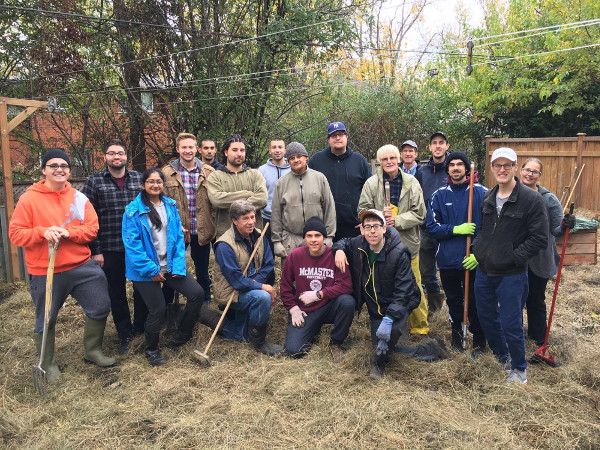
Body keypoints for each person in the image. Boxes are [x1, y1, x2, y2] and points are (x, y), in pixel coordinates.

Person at [9, 148, 116, 383]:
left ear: (69, 170)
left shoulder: (79, 197)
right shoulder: (29, 198)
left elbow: (92, 228)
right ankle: (47, 364)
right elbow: (16, 234)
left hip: (81, 266)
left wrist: (68, 232)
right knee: (46, 318)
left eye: (64, 166)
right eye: (54, 165)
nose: (59, 169)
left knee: (100, 306)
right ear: (44, 170)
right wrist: (42, 232)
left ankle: (93, 351)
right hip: (45, 270)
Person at [470, 148, 548, 383]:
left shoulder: (531, 200)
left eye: (507, 165)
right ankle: (502, 358)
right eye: (497, 166)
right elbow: (483, 230)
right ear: (492, 168)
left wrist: (514, 257)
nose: (502, 170)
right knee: (486, 317)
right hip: (484, 270)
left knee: (511, 322)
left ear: (515, 167)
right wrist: (478, 249)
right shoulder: (488, 196)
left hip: (512, 273)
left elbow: (539, 238)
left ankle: (519, 368)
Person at [122, 168, 204, 366]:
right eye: (151, 181)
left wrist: (176, 266)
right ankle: (151, 349)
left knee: (197, 293)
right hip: (145, 270)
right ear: (143, 185)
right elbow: (133, 246)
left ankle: (181, 334)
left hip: (169, 266)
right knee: (157, 309)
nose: (155, 185)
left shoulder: (169, 205)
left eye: (159, 181)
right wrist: (152, 271)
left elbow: (176, 238)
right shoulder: (133, 211)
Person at [333, 210, 422, 379]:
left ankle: (378, 365)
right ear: (362, 230)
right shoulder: (359, 244)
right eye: (368, 227)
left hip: (400, 303)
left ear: (384, 228)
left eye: (376, 226)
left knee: (386, 344)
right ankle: (431, 349)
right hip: (376, 308)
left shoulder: (399, 253)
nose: (372, 231)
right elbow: (343, 242)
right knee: (381, 345)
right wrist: (338, 250)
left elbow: (403, 292)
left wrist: (390, 318)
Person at [82, 139, 147, 354]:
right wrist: (96, 251)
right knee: (116, 292)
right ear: (105, 157)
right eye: (112, 153)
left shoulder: (139, 179)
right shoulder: (94, 181)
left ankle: (141, 329)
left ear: (127, 156)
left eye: (120, 153)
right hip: (109, 247)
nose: (116, 157)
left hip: (137, 247)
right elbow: (88, 219)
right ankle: (124, 334)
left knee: (141, 289)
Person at [358, 144, 429, 337]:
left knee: (414, 286)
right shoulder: (371, 184)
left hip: (407, 244)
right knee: (384, 287)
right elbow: (362, 210)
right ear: (379, 162)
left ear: (398, 159)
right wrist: (379, 214)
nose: (389, 162)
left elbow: (420, 213)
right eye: (384, 159)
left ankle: (419, 327)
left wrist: (397, 220)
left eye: (392, 158)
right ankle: (389, 322)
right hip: (379, 246)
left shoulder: (411, 182)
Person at [426, 151, 487, 354]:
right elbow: (432, 228)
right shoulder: (439, 195)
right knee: (454, 301)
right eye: (452, 165)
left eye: (460, 164)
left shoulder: (482, 193)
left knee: (476, 302)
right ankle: (457, 337)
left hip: (474, 260)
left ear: (467, 168)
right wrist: (455, 229)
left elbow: (491, 228)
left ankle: (479, 340)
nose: (456, 168)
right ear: (448, 169)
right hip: (448, 260)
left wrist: (479, 254)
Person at [212, 200, 283, 355]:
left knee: (242, 334)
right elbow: (236, 281)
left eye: (252, 217)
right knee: (262, 297)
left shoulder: (259, 235)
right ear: (234, 221)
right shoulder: (224, 245)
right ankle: (259, 342)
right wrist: (262, 287)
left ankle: (222, 322)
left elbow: (269, 264)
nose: (251, 222)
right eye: (245, 218)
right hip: (231, 291)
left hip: (246, 286)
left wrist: (255, 283)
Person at [279, 216, 354, 361]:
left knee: (347, 302)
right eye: (309, 236)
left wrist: (320, 294)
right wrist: (293, 308)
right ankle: (312, 330)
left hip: (328, 306)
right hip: (305, 310)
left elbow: (346, 286)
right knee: (294, 350)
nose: (313, 240)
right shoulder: (295, 256)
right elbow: (285, 285)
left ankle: (336, 342)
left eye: (317, 235)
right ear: (304, 239)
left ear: (324, 237)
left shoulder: (335, 256)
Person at [520, 158, 575, 345]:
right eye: (527, 170)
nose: (530, 174)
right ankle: (515, 335)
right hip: (515, 256)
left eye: (534, 172)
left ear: (539, 176)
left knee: (535, 299)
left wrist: (567, 225)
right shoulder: (511, 193)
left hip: (539, 258)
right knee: (514, 299)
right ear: (520, 170)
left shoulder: (549, 199)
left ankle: (538, 338)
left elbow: (557, 230)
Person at [162, 132, 215, 304]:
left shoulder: (208, 172)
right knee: (172, 269)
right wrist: (173, 225)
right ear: (178, 149)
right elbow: (161, 203)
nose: (188, 151)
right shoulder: (167, 172)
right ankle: (168, 305)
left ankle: (203, 304)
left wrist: (211, 223)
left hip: (201, 230)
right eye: (184, 147)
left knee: (202, 271)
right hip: (178, 231)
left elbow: (215, 202)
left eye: (191, 147)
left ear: (196, 149)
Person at [270, 142, 336, 259]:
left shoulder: (320, 178)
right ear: (288, 161)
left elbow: (329, 208)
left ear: (306, 157)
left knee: (315, 275)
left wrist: (329, 236)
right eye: (292, 158)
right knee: (292, 276)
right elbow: (276, 214)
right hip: (290, 239)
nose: (296, 160)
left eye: (299, 156)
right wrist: (276, 241)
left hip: (316, 238)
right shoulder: (281, 183)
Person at [308, 122, 371, 240]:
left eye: (341, 134)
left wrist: (366, 219)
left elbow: (370, 193)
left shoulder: (359, 161)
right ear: (328, 139)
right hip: (324, 226)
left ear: (346, 137)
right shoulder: (316, 161)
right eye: (333, 135)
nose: (337, 138)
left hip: (355, 227)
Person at [207, 134, 268, 239]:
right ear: (226, 152)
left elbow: (262, 199)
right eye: (234, 150)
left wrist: (230, 202)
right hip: (225, 236)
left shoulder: (255, 174)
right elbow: (217, 200)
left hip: (253, 235)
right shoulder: (215, 176)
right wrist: (247, 194)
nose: (239, 154)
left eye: (242, 150)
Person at [415, 132, 450, 312]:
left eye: (441, 143)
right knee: (427, 271)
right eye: (434, 143)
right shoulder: (422, 172)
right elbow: (417, 197)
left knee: (448, 269)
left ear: (446, 146)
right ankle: (435, 307)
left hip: (448, 230)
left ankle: (453, 307)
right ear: (429, 147)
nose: (437, 146)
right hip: (427, 229)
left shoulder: (453, 168)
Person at [258, 138, 290, 249]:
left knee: (288, 255)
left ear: (285, 150)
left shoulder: (293, 169)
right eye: (274, 147)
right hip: (267, 218)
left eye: (280, 147)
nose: (277, 150)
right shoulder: (261, 171)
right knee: (267, 255)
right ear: (270, 151)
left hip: (288, 219)